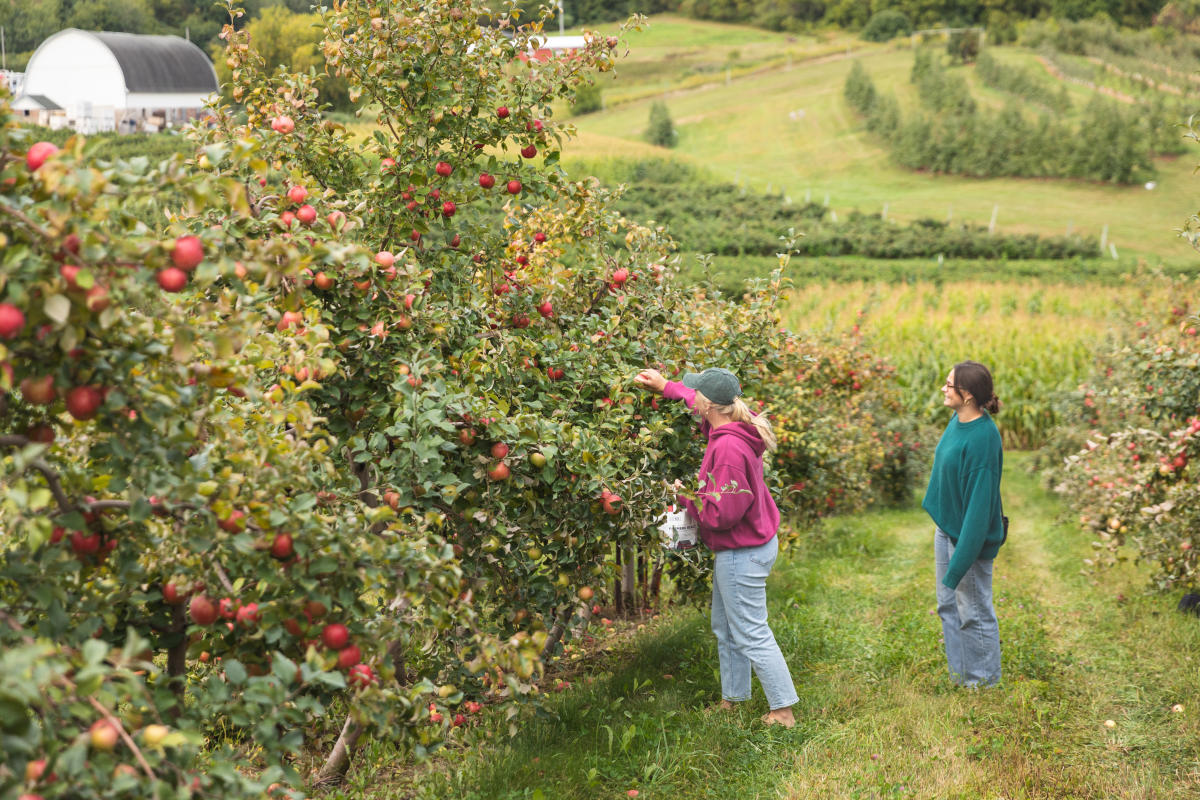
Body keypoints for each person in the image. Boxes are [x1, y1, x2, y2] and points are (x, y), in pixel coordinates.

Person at [634, 366, 799, 727]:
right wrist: (667, 387)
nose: (695, 402)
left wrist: (688, 495)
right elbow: (698, 398)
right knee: (726, 626)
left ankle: (783, 709)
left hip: (742, 551)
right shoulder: (737, 422)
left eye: (698, 398)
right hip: (748, 545)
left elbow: (723, 514)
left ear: (709, 406)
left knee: (752, 630)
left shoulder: (726, 448)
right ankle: (734, 698)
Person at [923, 360, 1006, 687]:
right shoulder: (958, 419)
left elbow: (979, 509)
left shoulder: (983, 439)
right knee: (948, 606)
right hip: (947, 528)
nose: (944, 389)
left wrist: (962, 559)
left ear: (968, 394)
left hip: (967, 538)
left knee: (973, 610)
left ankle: (983, 682)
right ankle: (960, 678)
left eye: (949, 384)